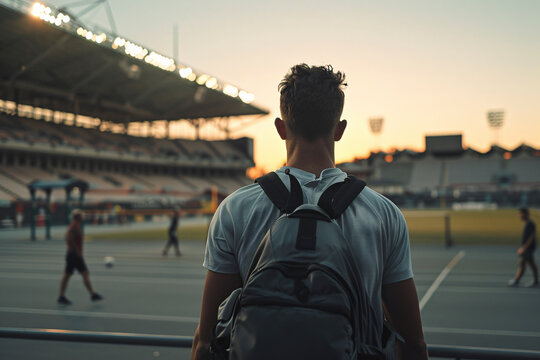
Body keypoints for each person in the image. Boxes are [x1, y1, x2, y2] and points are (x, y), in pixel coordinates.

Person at [191, 64, 428, 360]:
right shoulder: (383, 214)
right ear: (339, 129)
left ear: (280, 128)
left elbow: (207, 339)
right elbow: (413, 343)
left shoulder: (235, 209)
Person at [58, 210, 103, 305]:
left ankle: (92, 294)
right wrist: (76, 250)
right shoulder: (74, 226)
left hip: (73, 254)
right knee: (79, 274)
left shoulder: (76, 225)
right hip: (74, 255)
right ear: (78, 217)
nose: (83, 217)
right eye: (81, 215)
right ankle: (92, 294)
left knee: (72, 275)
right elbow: (68, 237)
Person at [508, 207, 538, 287]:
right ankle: (535, 281)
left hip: (528, 248)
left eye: (520, 213)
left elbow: (531, 237)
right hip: (528, 247)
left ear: (525, 214)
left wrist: (523, 248)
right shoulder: (529, 223)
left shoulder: (530, 224)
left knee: (522, 264)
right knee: (531, 264)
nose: (519, 215)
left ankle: (517, 280)